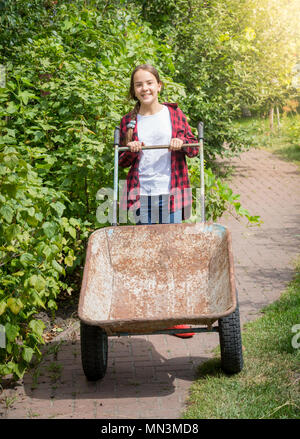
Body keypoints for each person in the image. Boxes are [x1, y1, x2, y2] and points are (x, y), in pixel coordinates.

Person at [118, 64, 198, 338]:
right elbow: (120, 159)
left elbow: (193, 147)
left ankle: (177, 317)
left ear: (159, 85)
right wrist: (130, 149)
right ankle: (150, 313)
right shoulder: (129, 121)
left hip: (173, 193)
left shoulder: (173, 114)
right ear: (134, 90)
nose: (145, 88)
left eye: (149, 83)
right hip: (142, 194)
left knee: (172, 254)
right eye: (139, 84)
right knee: (147, 255)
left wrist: (180, 142)